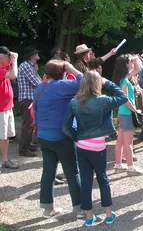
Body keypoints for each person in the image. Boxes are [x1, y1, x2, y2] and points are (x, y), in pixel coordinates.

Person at [63, 71, 128, 226]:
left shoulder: (74, 102)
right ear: (97, 84)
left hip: (82, 146)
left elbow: (65, 127)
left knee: (86, 181)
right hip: (98, 146)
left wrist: (76, 137)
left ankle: (89, 216)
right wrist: (108, 83)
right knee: (102, 179)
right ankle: (108, 214)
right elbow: (123, 97)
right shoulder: (103, 100)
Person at [34, 60, 84, 218]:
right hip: (61, 136)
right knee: (72, 172)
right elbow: (85, 82)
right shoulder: (61, 85)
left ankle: (48, 209)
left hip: (43, 135)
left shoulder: (40, 88)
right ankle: (80, 209)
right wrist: (72, 68)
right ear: (62, 73)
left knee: (48, 172)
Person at [112, 54, 143, 176]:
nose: (132, 64)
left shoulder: (122, 78)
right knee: (128, 143)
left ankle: (118, 165)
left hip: (122, 114)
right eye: (130, 62)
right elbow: (125, 100)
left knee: (120, 141)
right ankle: (131, 168)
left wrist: (134, 59)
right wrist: (136, 111)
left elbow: (138, 69)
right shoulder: (125, 80)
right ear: (125, 64)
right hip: (126, 114)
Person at [17, 47, 42, 157]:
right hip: (28, 99)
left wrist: (36, 72)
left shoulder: (29, 66)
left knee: (30, 124)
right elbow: (37, 83)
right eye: (36, 54)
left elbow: (39, 82)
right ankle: (23, 149)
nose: (38, 55)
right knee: (27, 124)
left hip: (29, 99)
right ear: (32, 56)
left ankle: (26, 145)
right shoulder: (26, 66)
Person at [0, 46, 19, 169]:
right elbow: (14, 75)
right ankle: (4, 159)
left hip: (7, 107)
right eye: (9, 59)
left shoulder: (3, 67)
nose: (11, 61)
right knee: (2, 136)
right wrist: (15, 59)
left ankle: (5, 159)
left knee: (6, 136)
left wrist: (10, 58)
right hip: (1, 109)